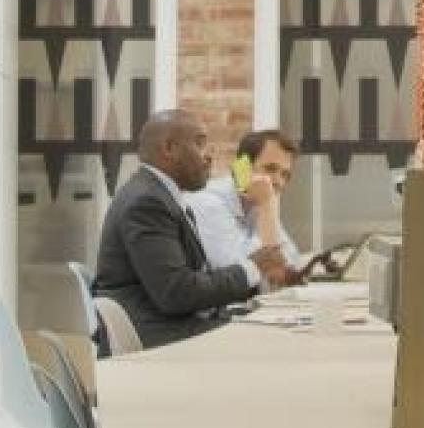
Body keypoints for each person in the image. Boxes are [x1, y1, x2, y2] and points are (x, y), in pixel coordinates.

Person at [93, 110, 289, 349]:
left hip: (172, 323)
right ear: (169, 149)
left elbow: (195, 280)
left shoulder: (161, 196)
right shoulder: (147, 202)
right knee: (273, 339)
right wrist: (253, 267)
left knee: (269, 328)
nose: (210, 156)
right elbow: (177, 293)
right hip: (157, 334)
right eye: (200, 143)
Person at [186, 128, 325, 286]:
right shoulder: (206, 202)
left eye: (285, 175)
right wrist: (266, 206)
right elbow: (243, 273)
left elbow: (291, 260)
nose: (278, 181)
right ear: (241, 168)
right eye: (270, 169)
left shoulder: (256, 204)